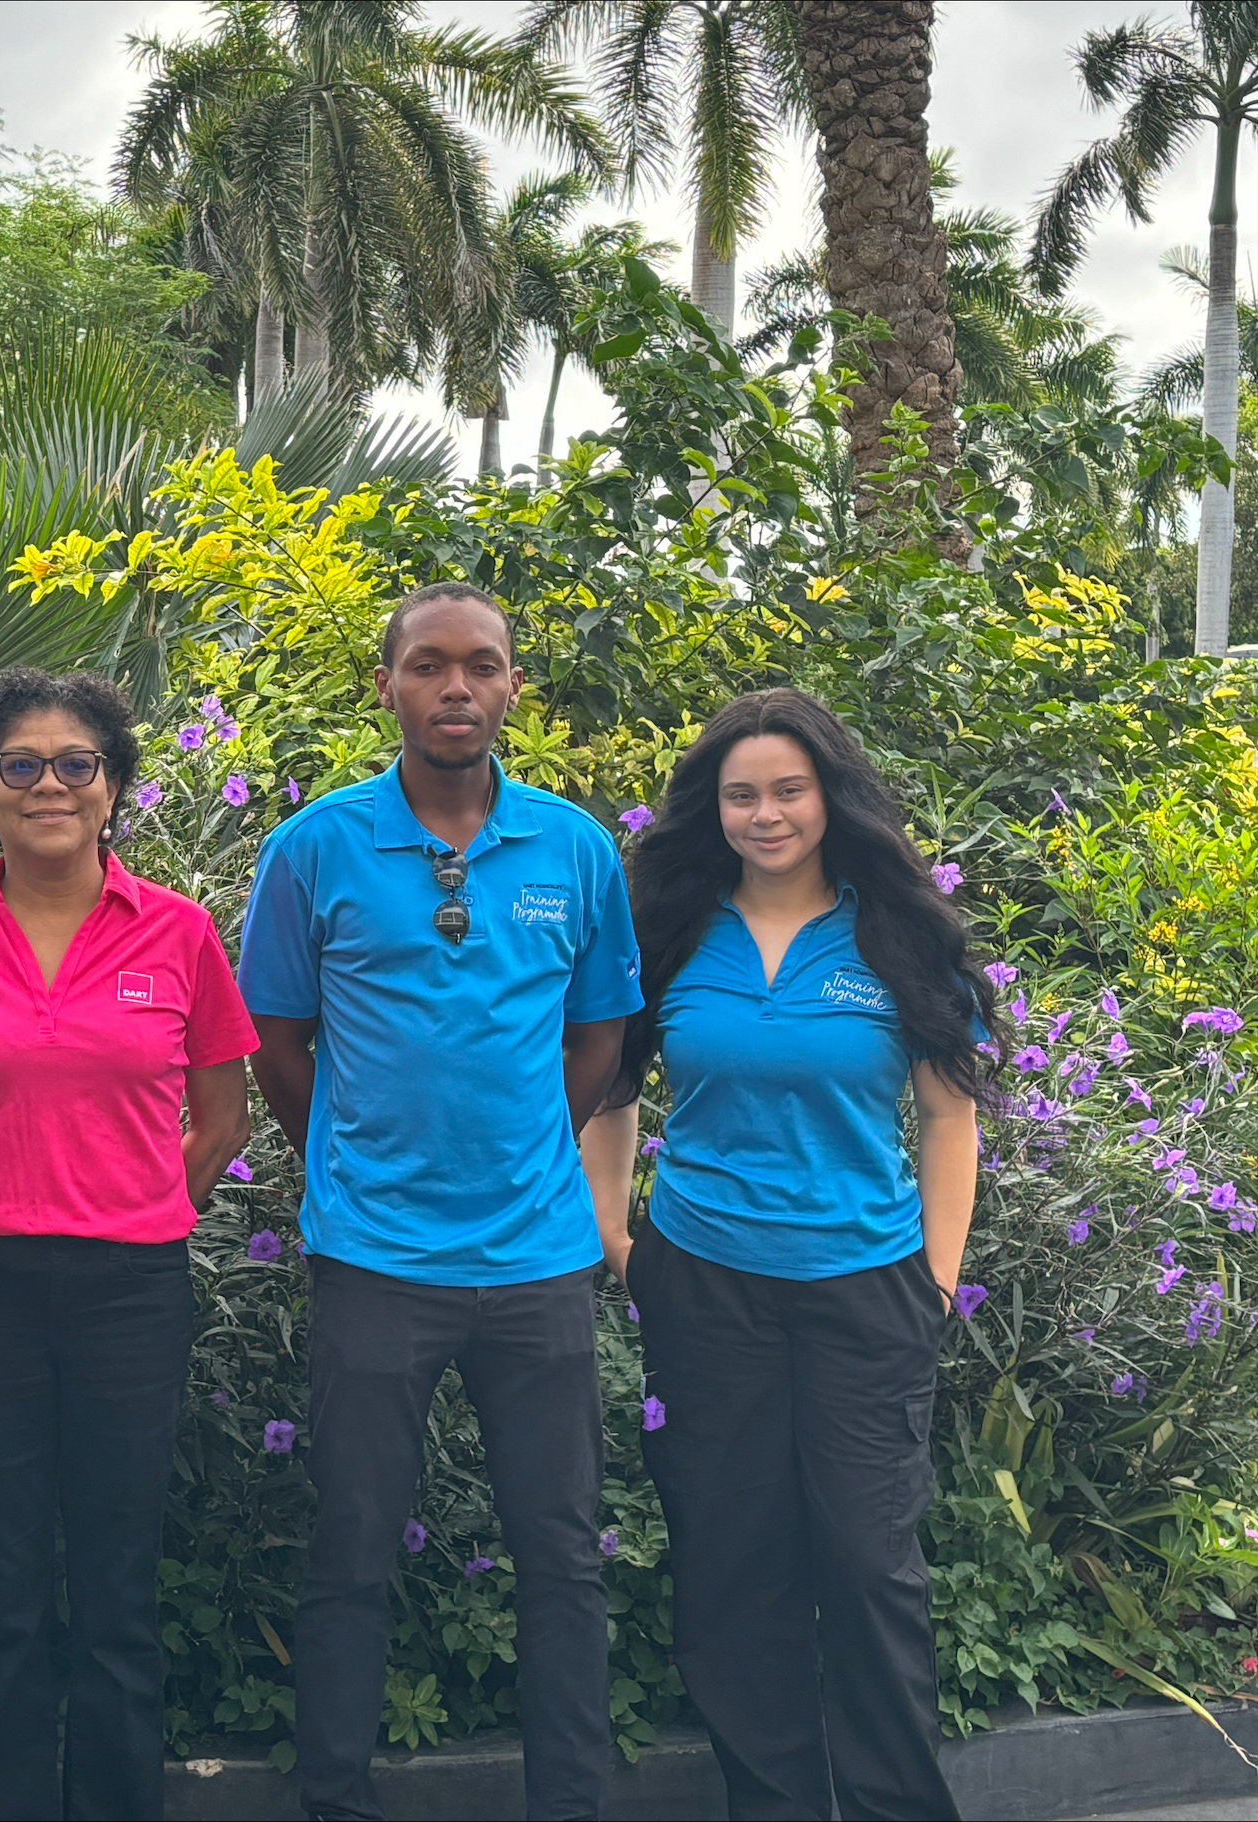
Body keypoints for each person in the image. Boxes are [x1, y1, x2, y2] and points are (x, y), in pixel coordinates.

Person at [237, 582, 641, 1822]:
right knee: (352, 1547)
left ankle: (569, 1801)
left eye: (480, 665)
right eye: (426, 666)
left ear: (514, 685)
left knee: (561, 1556)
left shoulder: (572, 848)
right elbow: (275, 1037)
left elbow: (599, 1039)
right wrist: (348, 1156)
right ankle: (334, 1798)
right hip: (372, 1258)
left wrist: (526, 1144)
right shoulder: (314, 848)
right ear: (387, 687)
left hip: (534, 1261)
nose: (454, 687)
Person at [578, 689, 1001, 1822]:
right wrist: (615, 1237)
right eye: (740, 794)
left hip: (865, 1292)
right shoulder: (667, 928)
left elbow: (948, 1113)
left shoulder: (892, 934)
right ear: (709, 808)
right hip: (703, 1288)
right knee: (731, 1567)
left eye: (787, 790)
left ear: (829, 797)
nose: (765, 813)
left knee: (868, 1568)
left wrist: (935, 1276)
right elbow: (609, 1090)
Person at [0, 667, 257, 1821]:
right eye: (18, 765)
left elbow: (223, 1119)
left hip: (132, 1291)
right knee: (2, 1581)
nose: (47, 784)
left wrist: (128, 1203)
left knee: (119, 1585)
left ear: (113, 786)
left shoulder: (176, 934)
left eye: (75, 763)